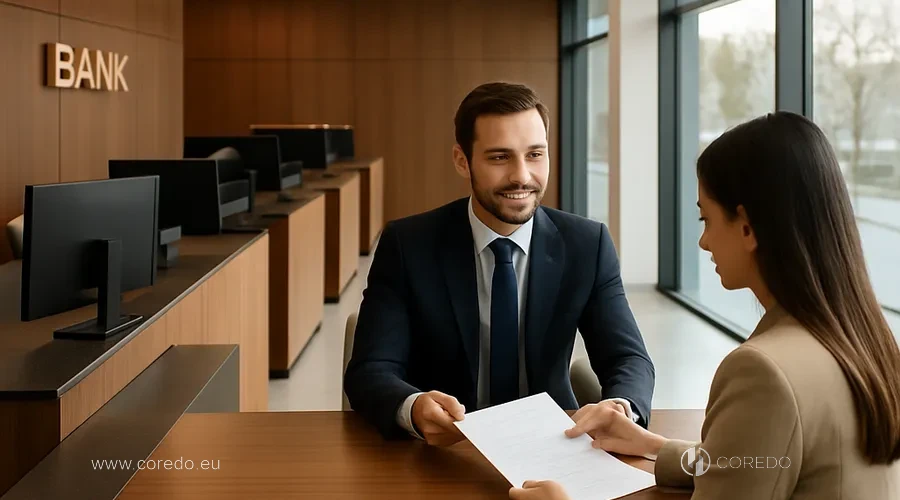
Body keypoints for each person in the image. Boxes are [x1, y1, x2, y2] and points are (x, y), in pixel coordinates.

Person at [511, 111, 900, 499]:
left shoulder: (764, 371)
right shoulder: (870, 341)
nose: (704, 242)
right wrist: (653, 446)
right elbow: (757, 461)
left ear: (747, 227)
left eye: (706, 219)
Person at [344, 82, 655, 445]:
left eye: (535, 155)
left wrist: (621, 407)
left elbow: (628, 357)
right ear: (463, 161)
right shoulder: (407, 244)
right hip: (447, 448)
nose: (521, 176)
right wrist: (412, 407)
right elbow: (371, 369)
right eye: (499, 157)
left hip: (555, 442)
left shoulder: (587, 244)